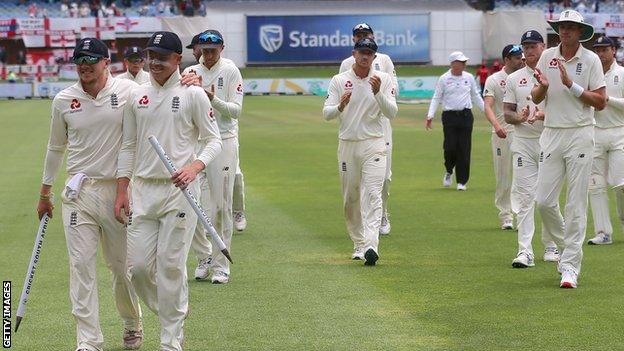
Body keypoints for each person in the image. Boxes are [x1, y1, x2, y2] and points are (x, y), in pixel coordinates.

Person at [115, 31, 222, 350]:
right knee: (137, 269)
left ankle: (171, 341)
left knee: (171, 265)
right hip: (144, 191)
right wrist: (122, 187)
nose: (154, 62)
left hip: (180, 193)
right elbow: (129, 144)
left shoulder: (194, 94)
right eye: (151, 56)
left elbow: (214, 140)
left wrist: (195, 166)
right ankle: (172, 311)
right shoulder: (137, 95)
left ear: (179, 59)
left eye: (162, 57)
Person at [37, 37, 143, 351]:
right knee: (80, 266)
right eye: (79, 60)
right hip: (78, 192)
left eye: (90, 59)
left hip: (118, 191)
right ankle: (88, 340)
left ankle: (131, 322)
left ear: (105, 62)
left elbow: (160, 97)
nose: (84, 65)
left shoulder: (128, 91)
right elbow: (56, 147)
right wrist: (46, 191)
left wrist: (189, 81)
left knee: (121, 267)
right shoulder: (63, 99)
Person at [531, 10, 606, 288]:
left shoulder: (591, 59)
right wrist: (543, 87)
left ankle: (571, 267)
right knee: (543, 201)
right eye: (562, 27)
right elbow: (537, 96)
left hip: (580, 133)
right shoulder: (546, 56)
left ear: (580, 31)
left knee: (575, 204)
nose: (566, 31)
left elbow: (600, 101)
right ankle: (569, 252)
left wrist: (571, 85)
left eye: (571, 27)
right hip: (551, 133)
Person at [323, 38, 398, 265]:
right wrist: (339, 107)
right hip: (348, 144)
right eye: (362, 52)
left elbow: (392, 112)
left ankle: (371, 245)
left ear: (375, 57)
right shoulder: (339, 80)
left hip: (374, 143)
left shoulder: (383, 80)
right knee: (351, 197)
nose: (365, 56)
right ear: (354, 54)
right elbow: (326, 114)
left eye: (369, 53)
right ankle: (358, 243)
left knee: (373, 194)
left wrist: (378, 94)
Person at [182, 30, 244, 283]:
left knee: (220, 206)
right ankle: (203, 256)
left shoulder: (229, 71)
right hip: (197, 143)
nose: (208, 55)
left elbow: (236, 111)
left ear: (221, 48)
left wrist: (212, 98)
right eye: (204, 50)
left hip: (224, 141)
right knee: (191, 204)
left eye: (213, 50)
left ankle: (221, 266)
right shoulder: (189, 73)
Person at [503, 30, 560, 268]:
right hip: (523, 143)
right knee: (525, 198)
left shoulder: (555, 73)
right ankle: (524, 251)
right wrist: (520, 117)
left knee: (548, 200)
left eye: (533, 46)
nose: (528, 51)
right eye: (525, 47)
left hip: (551, 140)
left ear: (543, 46)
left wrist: (543, 114)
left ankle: (552, 245)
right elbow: (507, 113)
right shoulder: (515, 78)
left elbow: (567, 108)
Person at [338, 22, 398, 236]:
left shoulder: (385, 61)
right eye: (358, 35)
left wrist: (379, 94)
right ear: (353, 39)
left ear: (373, 36)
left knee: (385, 177)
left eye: (366, 34)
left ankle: (382, 214)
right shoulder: (347, 63)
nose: (362, 36)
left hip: (381, 124)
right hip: (356, 127)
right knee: (356, 181)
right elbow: (342, 92)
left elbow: (394, 92)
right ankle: (364, 223)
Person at [425, 51, 484, 190]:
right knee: (450, 148)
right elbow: (436, 97)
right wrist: (430, 115)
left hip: (466, 116)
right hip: (449, 117)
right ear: (453, 63)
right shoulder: (444, 79)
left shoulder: (469, 77)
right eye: (461, 62)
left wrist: (486, 112)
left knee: (464, 148)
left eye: (464, 62)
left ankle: (462, 182)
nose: (464, 64)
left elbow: (475, 96)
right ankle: (449, 171)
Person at [587, 36, 624, 245]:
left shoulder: (622, 73)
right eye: (598, 50)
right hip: (596, 132)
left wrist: (608, 100)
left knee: (621, 184)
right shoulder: (592, 75)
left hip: (620, 132)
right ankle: (603, 232)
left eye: (604, 50)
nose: (601, 54)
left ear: (614, 51)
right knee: (595, 184)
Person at [483, 44, 524, 230]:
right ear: (507, 59)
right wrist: (497, 126)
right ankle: (505, 215)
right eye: (516, 57)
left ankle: (521, 213)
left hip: (523, 134)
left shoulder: (526, 77)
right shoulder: (494, 79)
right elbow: (488, 106)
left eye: (521, 57)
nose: (520, 60)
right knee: (503, 176)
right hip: (502, 134)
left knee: (522, 175)